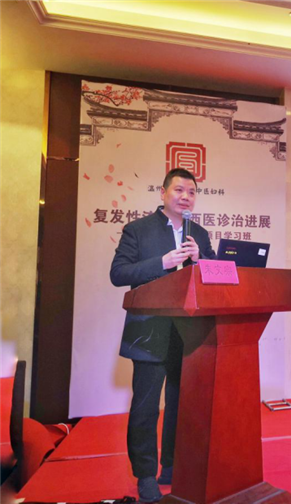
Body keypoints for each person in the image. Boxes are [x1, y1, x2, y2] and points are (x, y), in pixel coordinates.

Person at [110, 168, 215, 502]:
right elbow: (118, 274)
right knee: (146, 407)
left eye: (192, 192)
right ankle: (145, 475)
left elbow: (216, 275)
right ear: (163, 193)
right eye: (179, 190)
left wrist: (201, 259)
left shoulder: (199, 234)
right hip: (150, 331)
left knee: (181, 405)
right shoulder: (138, 230)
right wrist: (163, 262)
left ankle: (172, 464)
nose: (186, 197)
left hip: (189, 333)